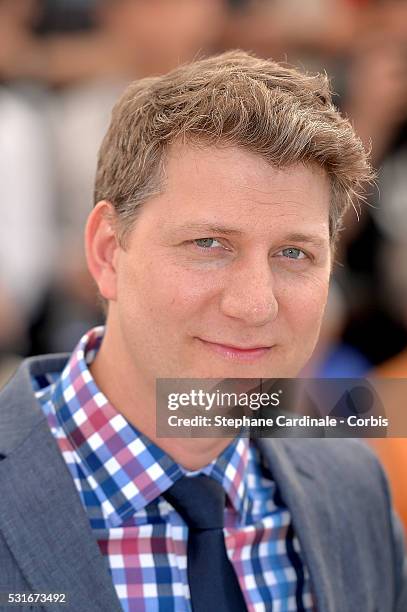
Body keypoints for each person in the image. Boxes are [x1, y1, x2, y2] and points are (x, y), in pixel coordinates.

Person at [0, 51, 405, 612]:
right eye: (208, 245)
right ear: (107, 252)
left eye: (294, 253)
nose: (255, 304)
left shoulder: (354, 490)